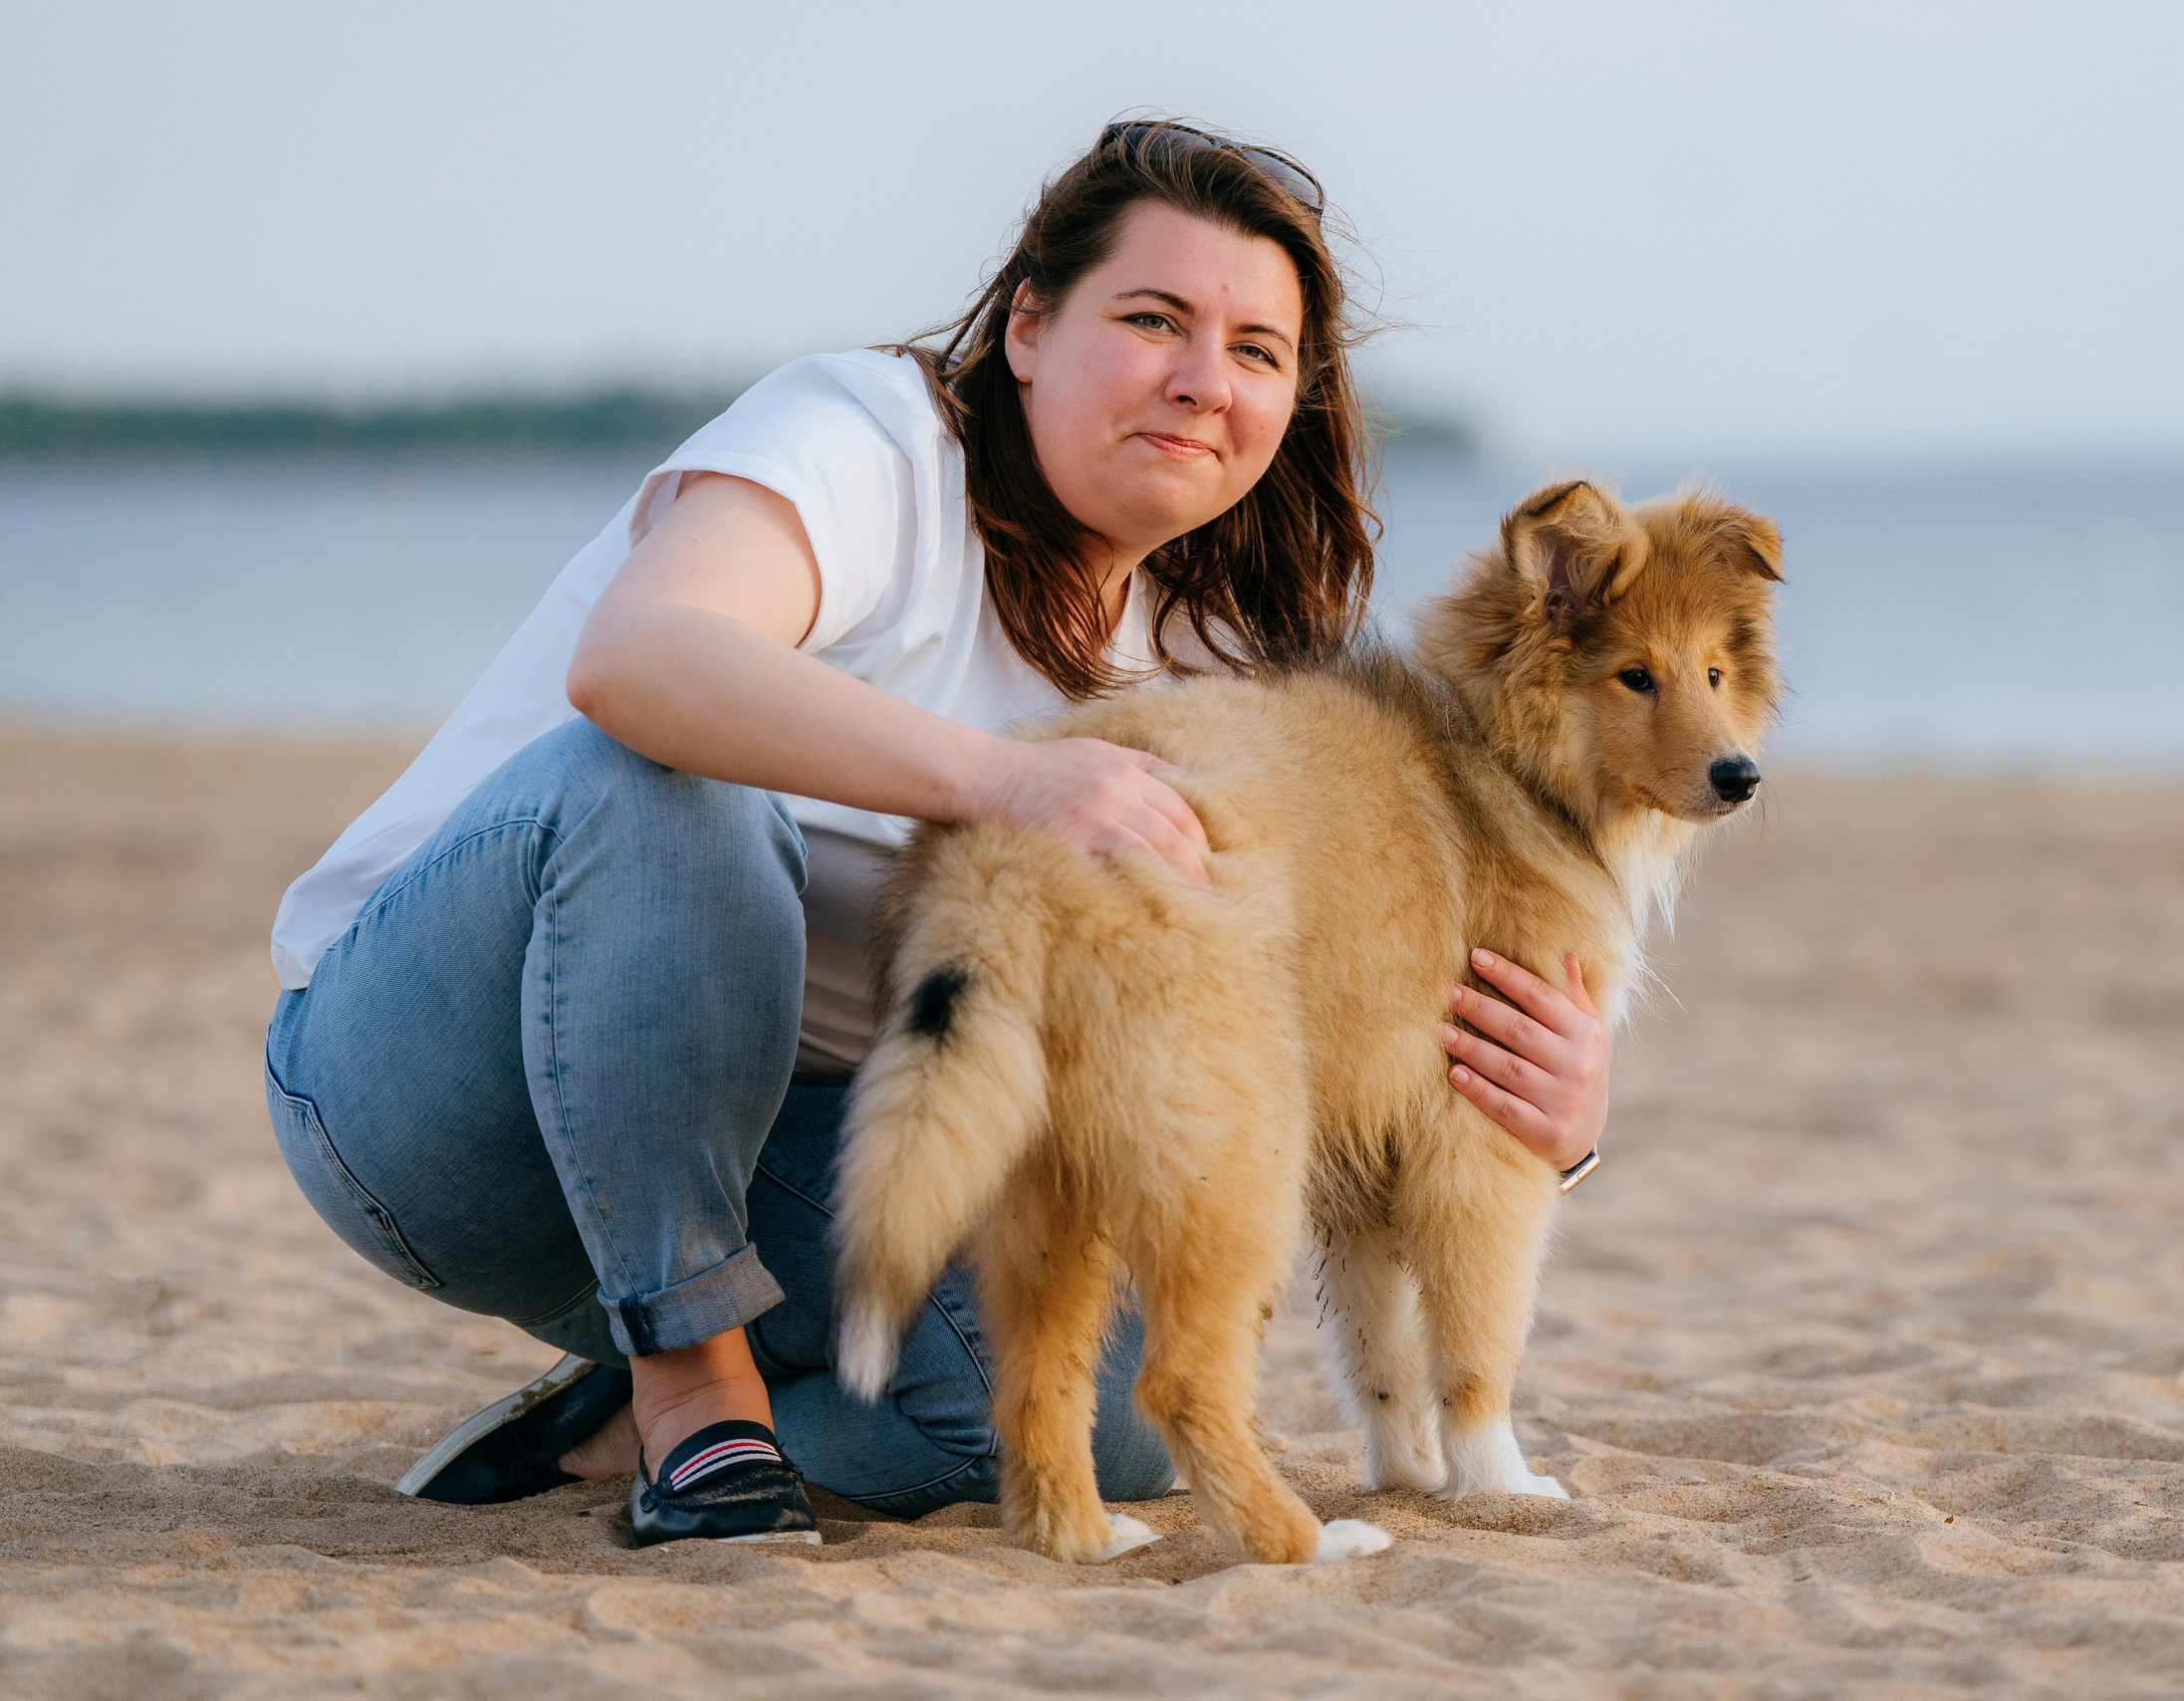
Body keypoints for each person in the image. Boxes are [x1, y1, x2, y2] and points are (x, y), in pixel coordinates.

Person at [261, 121, 1612, 1549]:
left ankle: (627, 1409)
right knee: (668, 787)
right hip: (435, 1092)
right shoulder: (871, 443)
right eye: (1153, 320)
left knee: (1100, 1417)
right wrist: (1004, 780)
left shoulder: (1221, 657)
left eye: (1258, 351)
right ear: (1028, 327)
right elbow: (637, 659)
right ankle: (692, 1391)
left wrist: (1553, 1118)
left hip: (781, 1132)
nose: (1204, 380)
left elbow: (1307, 1015)